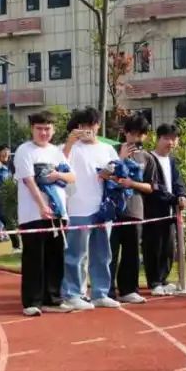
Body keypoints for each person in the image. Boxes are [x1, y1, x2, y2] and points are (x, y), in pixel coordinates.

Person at [14, 110, 75, 317]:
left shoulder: (56, 152)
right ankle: (32, 301)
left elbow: (70, 176)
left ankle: (53, 298)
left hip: (58, 213)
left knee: (55, 256)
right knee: (34, 258)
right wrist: (41, 205)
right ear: (32, 129)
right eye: (39, 128)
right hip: (33, 214)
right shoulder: (24, 150)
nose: (43, 132)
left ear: (53, 130)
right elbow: (29, 180)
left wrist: (58, 175)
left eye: (47, 128)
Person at [59, 107, 119, 310]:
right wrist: (69, 142)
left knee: (103, 252)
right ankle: (72, 293)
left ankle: (100, 292)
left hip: (102, 208)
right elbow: (60, 165)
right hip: (77, 208)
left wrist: (108, 174)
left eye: (90, 125)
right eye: (82, 126)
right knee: (76, 253)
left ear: (98, 126)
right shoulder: (71, 148)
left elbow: (117, 173)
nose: (86, 130)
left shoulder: (107, 149)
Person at [108, 113, 156, 304]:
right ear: (125, 132)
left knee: (131, 252)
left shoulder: (147, 158)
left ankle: (129, 289)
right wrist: (120, 161)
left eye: (141, 134)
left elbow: (150, 187)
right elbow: (105, 175)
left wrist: (132, 183)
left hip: (135, 210)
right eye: (133, 133)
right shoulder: (111, 151)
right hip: (112, 210)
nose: (136, 138)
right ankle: (106, 290)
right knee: (109, 252)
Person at [142, 124, 186, 295]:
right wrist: (173, 199)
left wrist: (182, 195)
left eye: (174, 138)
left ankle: (163, 279)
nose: (170, 142)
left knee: (169, 248)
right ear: (158, 138)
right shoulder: (149, 158)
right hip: (154, 212)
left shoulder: (171, 161)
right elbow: (154, 187)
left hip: (171, 214)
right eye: (166, 138)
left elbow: (178, 182)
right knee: (154, 246)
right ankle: (154, 282)